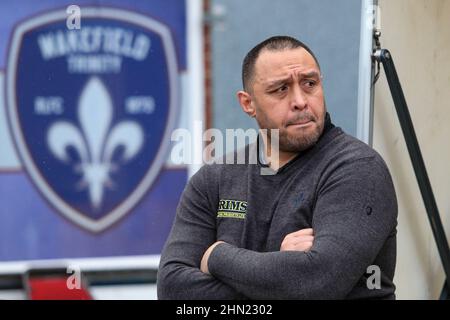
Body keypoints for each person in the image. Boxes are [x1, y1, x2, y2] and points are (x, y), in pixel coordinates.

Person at [157, 36, 398, 299]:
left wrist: (216, 256)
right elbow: (172, 288)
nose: (300, 101)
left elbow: (317, 283)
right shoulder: (214, 179)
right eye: (280, 89)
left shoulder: (356, 168)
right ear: (248, 103)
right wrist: (278, 269)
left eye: (309, 84)